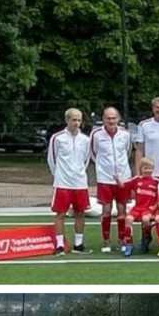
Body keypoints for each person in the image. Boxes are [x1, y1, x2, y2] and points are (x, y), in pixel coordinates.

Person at [47, 108, 92, 255]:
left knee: (80, 213)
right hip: (62, 183)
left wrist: (78, 174)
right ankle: (59, 245)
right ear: (67, 120)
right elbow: (52, 159)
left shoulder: (85, 140)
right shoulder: (57, 138)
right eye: (74, 120)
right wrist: (59, 176)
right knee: (60, 214)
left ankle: (78, 244)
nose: (77, 123)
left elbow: (86, 160)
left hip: (80, 183)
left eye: (79, 120)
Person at [89, 106, 134, 253]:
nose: (111, 120)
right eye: (108, 118)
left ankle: (122, 240)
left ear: (118, 119)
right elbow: (93, 154)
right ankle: (106, 241)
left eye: (114, 118)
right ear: (103, 119)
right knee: (106, 211)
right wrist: (105, 169)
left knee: (122, 210)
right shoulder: (96, 135)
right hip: (105, 178)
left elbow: (127, 152)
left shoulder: (126, 134)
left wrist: (120, 172)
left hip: (123, 178)